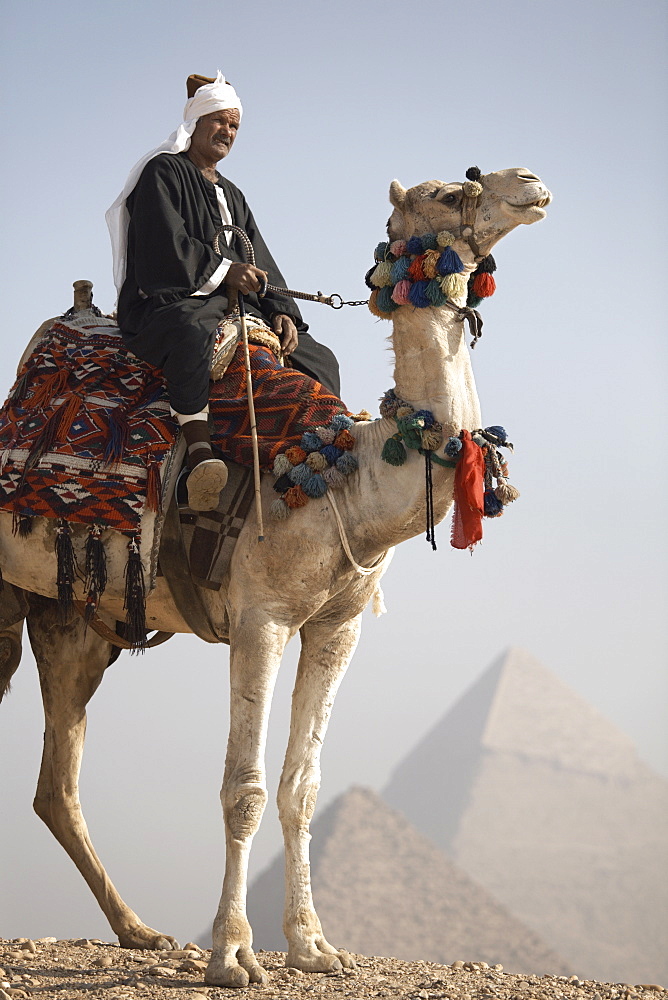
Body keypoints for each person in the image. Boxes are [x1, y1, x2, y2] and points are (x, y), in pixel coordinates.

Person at [106, 72, 339, 510]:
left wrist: (281, 309)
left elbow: (261, 257)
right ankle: (199, 452)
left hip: (236, 304)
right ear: (195, 121)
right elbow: (162, 246)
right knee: (194, 332)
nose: (228, 132)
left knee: (318, 356)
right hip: (172, 297)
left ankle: (309, 451)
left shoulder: (233, 193)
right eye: (220, 122)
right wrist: (225, 272)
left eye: (234, 126)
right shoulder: (163, 172)